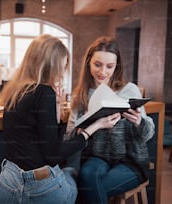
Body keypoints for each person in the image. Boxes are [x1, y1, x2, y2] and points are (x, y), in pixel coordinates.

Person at [0, 34, 121, 204]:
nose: (63, 71)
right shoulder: (45, 92)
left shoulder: (15, 91)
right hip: (39, 190)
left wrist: (57, 107)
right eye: (62, 65)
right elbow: (53, 156)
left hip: (6, 186)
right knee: (74, 174)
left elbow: (45, 140)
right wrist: (93, 128)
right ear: (51, 65)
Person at [65, 36, 155, 204]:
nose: (103, 72)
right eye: (97, 65)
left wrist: (138, 123)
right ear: (88, 63)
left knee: (88, 191)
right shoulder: (81, 95)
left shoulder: (129, 90)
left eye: (110, 66)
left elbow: (148, 134)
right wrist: (86, 128)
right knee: (87, 176)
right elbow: (69, 137)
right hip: (97, 158)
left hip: (131, 161)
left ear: (117, 66)